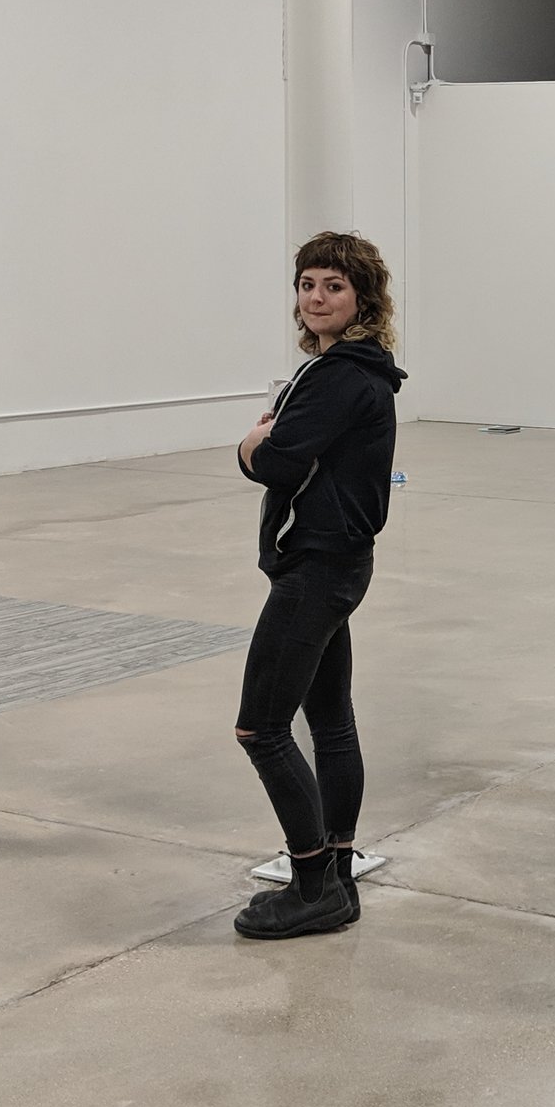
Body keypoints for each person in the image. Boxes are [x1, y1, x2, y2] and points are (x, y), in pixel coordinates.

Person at [230, 231, 406, 940]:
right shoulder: (353, 370)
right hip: (336, 563)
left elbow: (274, 460)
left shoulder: (340, 378)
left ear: (362, 295)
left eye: (333, 285)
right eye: (307, 284)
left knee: (262, 726)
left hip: (317, 569)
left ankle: (313, 884)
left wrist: (248, 444)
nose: (316, 297)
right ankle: (334, 868)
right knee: (329, 719)